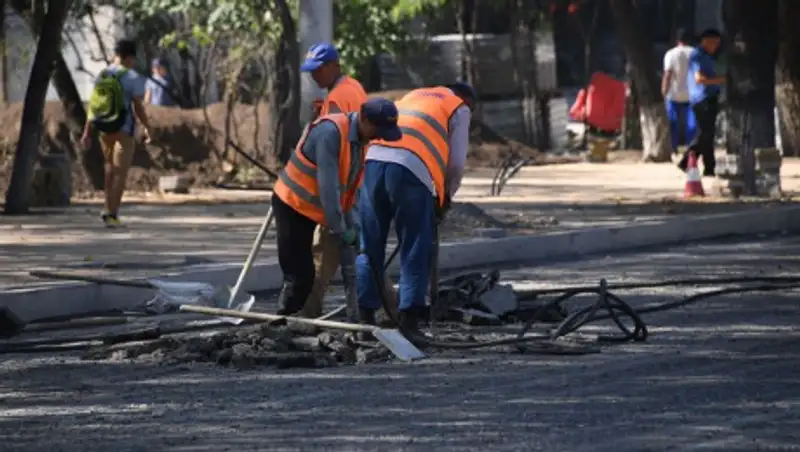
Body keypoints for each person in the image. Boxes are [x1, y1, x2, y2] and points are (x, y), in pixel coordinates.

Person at [355, 83, 476, 332]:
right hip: (410, 170)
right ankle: (410, 320)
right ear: (465, 99)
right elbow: (455, 165)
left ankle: (365, 320)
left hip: (374, 161)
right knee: (414, 245)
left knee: (370, 243)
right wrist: (444, 200)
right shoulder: (459, 108)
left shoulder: (412, 95)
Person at [270, 98, 402, 317]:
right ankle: (283, 322)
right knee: (300, 275)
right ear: (364, 119)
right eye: (378, 130)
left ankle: (380, 314)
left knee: (311, 273)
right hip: (292, 205)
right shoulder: (330, 133)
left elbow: (349, 187)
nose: (379, 136)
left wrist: (355, 224)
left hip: (313, 208)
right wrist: (340, 230)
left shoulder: (360, 140)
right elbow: (329, 190)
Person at [298, 42, 369, 319]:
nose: (314, 77)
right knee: (360, 252)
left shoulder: (339, 97)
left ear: (333, 66)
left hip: (342, 185)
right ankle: (388, 308)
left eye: (318, 70)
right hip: (354, 180)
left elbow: (331, 149)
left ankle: (307, 311)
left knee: (324, 250)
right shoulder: (352, 87)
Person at [81, 39, 152, 228]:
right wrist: (147, 126)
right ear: (129, 58)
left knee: (109, 169)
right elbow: (138, 106)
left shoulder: (103, 74)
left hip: (104, 129)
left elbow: (93, 107)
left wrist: (87, 132)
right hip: (124, 129)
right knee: (120, 172)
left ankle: (107, 208)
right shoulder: (132, 77)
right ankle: (112, 213)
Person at [679, 28, 724, 176]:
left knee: (708, 134)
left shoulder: (707, 56)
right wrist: (723, 80)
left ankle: (709, 167)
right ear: (706, 41)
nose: (716, 46)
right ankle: (687, 160)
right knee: (704, 134)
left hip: (709, 98)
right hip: (702, 99)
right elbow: (700, 79)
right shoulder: (698, 56)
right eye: (714, 43)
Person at [300, 42, 368, 119]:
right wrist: (323, 109)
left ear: (333, 65)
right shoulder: (354, 83)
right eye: (312, 71)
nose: (314, 75)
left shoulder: (335, 99)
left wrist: (318, 119)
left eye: (318, 69)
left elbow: (328, 130)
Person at [662, 28, 696, 154]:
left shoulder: (670, 54)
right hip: (691, 95)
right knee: (691, 125)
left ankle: (673, 149)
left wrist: (664, 91)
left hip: (673, 95)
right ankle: (691, 149)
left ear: (677, 40)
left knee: (672, 123)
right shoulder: (695, 53)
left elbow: (667, 75)